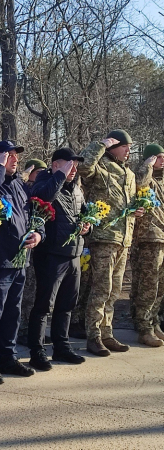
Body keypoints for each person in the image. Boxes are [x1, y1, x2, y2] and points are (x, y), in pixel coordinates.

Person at [0, 140, 44, 385]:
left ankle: (8, 356)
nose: (14, 159)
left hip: (19, 260)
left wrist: (38, 234)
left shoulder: (20, 186)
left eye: (15, 155)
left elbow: (31, 216)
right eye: (9, 155)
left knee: (12, 313)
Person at [77, 130, 144, 356]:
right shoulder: (101, 166)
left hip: (123, 239)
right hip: (104, 238)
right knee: (101, 288)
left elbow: (129, 202)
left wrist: (137, 210)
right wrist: (101, 145)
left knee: (114, 290)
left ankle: (107, 332)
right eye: (125, 146)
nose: (128, 151)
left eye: (130, 147)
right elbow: (83, 167)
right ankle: (93, 335)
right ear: (114, 146)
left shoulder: (130, 174)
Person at [27, 148, 89, 370]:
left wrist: (86, 225)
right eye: (68, 165)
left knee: (66, 305)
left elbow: (83, 213)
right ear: (55, 165)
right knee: (45, 305)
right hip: (52, 255)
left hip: (73, 255)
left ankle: (61, 347)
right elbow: (43, 198)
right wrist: (60, 176)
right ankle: (37, 351)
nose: (73, 169)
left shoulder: (77, 189)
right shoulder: (45, 181)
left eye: (75, 165)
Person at [133, 144, 164, 347]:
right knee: (148, 286)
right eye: (159, 157)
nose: (163, 161)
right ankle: (144, 327)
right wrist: (147, 166)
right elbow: (140, 185)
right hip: (149, 238)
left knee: (160, 286)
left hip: (162, 237)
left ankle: (154, 323)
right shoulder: (146, 177)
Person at [17, 158, 47, 346]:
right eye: (38, 172)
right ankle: (22, 330)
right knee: (25, 293)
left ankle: (33, 329)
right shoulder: (23, 188)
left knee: (35, 292)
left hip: (39, 248)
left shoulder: (43, 189)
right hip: (22, 248)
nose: (41, 175)